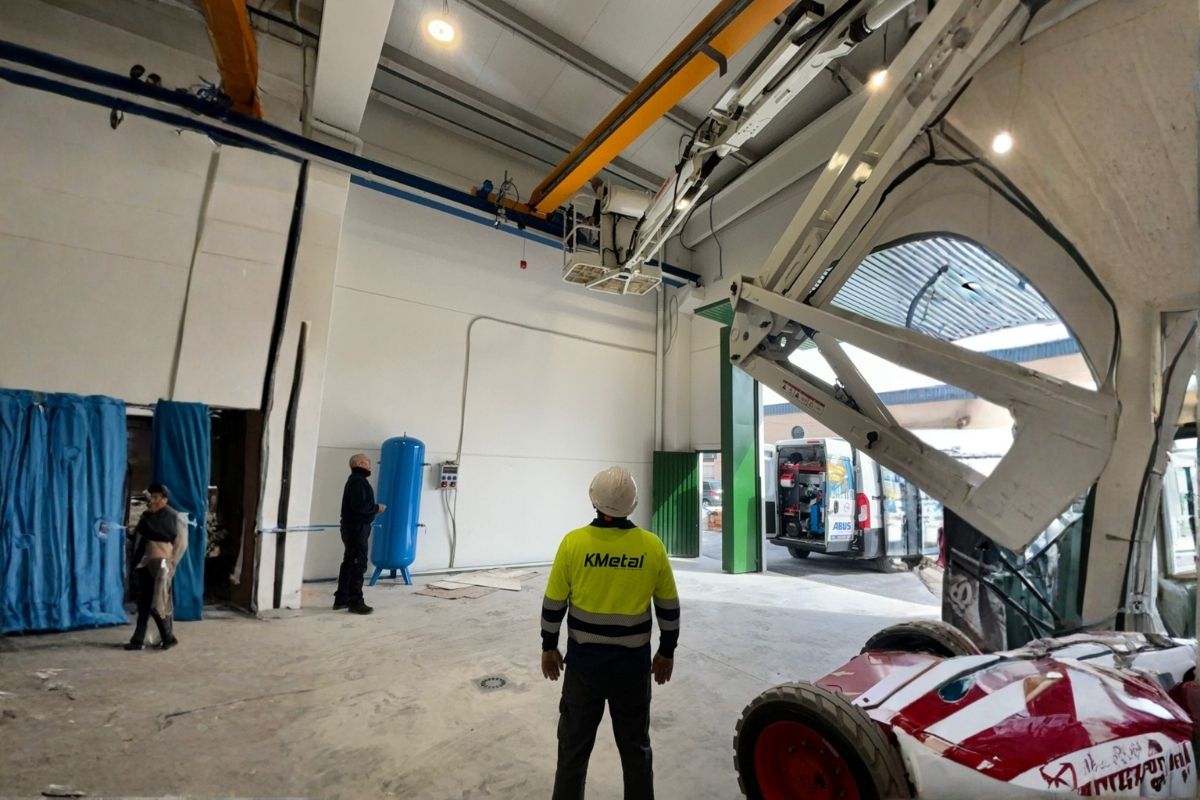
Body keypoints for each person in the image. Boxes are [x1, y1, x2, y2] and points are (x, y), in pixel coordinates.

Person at [541, 466, 680, 800]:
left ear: (594, 500)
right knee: (635, 750)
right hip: (632, 670)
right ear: (632, 505)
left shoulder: (573, 543)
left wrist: (549, 646)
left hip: (584, 668)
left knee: (573, 751)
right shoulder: (651, 546)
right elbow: (669, 607)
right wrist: (666, 652)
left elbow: (553, 603)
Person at [125, 483, 179, 651]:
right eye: (152, 496)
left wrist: (144, 525)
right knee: (144, 603)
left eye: (156, 497)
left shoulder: (170, 515)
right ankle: (138, 639)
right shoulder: (147, 516)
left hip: (162, 565)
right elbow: (140, 539)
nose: (153, 500)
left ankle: (168, 637)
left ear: (164, 499)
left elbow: (167, 534)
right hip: (146, 563)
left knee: (157, 604)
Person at [334, 453, 386, 614]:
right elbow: (359, 506)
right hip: (356, 528)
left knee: (350, 562)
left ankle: (341, 598)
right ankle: (355, 601)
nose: (370, 464)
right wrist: (377, 508)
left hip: (353, 527)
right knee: (358, 563)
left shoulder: (357, 481)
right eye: (367, 461)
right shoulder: (358, 481)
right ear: (359, 463)